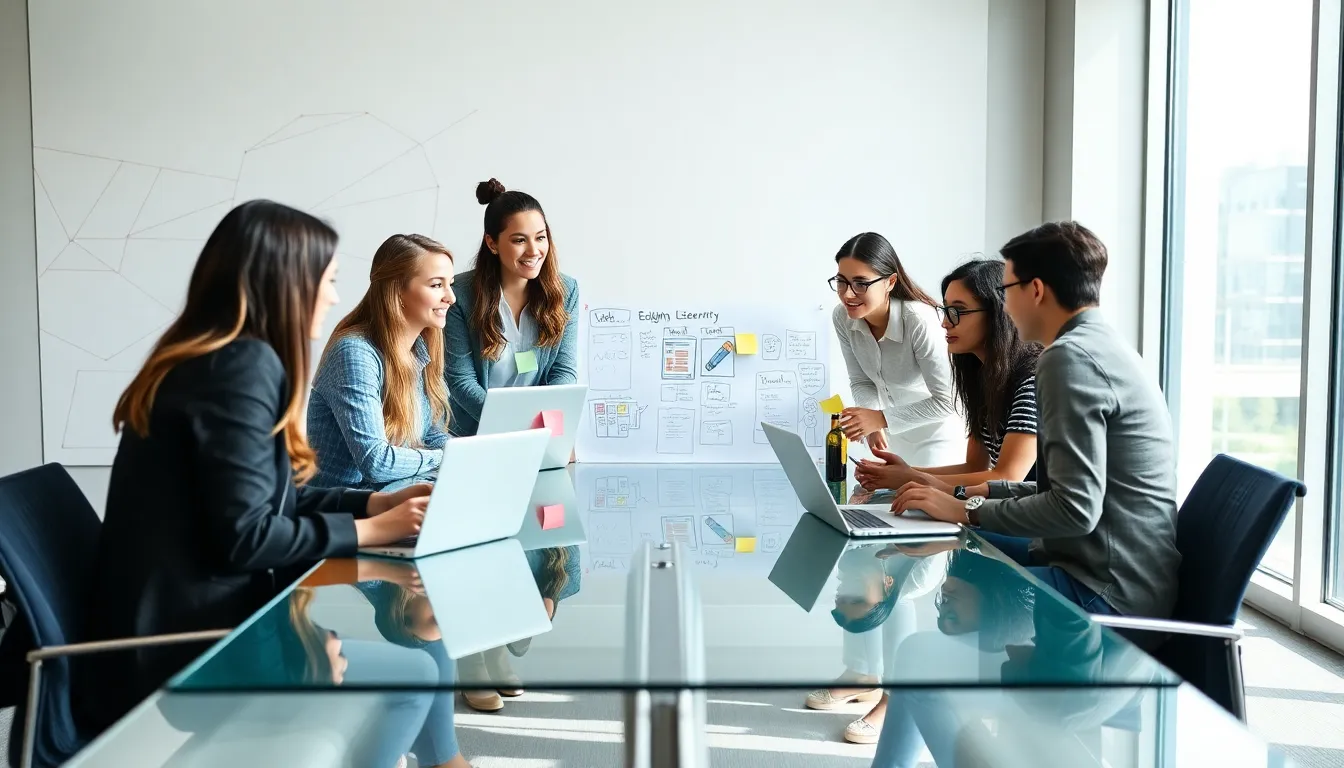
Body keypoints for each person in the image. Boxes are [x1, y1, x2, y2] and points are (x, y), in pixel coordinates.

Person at [75, 200, 431, 735]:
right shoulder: (239, 370)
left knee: (398, 670)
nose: (334, 297)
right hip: (188, 648)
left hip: (190, 617)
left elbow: (269, 501)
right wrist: (373, 531)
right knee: (415, 676)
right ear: (287, 282)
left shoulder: (214, 358)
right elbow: (248, 536)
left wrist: (373, 503)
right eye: (329, 280)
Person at [890, 222, 1181, 619]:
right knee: (961, 553)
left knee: (966, 571)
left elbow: (1074, 509)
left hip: (1105, 593)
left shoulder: (1067, 358)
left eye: (1008, 290)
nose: (1005, 306)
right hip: (1116, 575)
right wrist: (963, 497)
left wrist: (966, 510)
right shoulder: (1100, 346)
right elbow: (1056, 491)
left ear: (1036, 290)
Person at [855, 259, 1040, 494]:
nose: (945, 323)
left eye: (958, 311)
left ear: (999, 313)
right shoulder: (983, 380)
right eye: (946, 310)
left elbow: (1008, 477)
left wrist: (909, 478)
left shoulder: (1033, 381)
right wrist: (900, 472)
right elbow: (974, 466)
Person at [308, 234, 455, 488]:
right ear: (397, 291)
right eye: (436, 285)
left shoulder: (421, 348)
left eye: (450, 284)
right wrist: (445, 458)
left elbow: (431, 433)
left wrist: (465, 454)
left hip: (393, 493)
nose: (451, 297)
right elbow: (376, 462)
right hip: (343, 505)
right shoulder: (354, 353)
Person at [444, 179, 579, 436]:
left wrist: (541, 430)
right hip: (474, 433)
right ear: (492, 243)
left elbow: (564, 372)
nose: (534, 251)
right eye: (519, 240)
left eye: (540, 238)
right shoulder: (459, 294)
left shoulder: (566, 290)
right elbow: (461, 382)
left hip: (539, 433)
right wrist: (513, 428)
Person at [830, 233, 962, 466]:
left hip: (938, 439)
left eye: (861, 283)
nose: (847, 294)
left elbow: (948, 402)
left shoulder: (918, 320)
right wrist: (870, 424)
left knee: (917, 489)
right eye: (841, 281)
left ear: (890, 282)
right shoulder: (842, 317)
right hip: (894, 438)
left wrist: (879, 418)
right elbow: (862, 381)